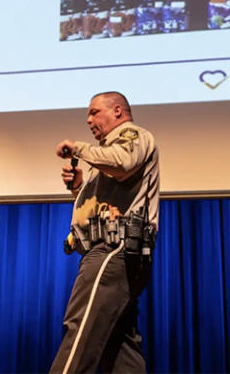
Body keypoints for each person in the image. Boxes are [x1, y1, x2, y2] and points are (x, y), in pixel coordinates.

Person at [49, 91, 159, 374]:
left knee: (81, 325)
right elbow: (102, 202)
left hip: (115, 250)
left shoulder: (133, 135)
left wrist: (78, 148)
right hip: (117, 253)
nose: (89, 120)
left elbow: (123, 163)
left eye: (94, 112)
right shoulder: (105, 156)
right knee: (119, 345)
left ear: (119, 111)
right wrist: (78, 188)